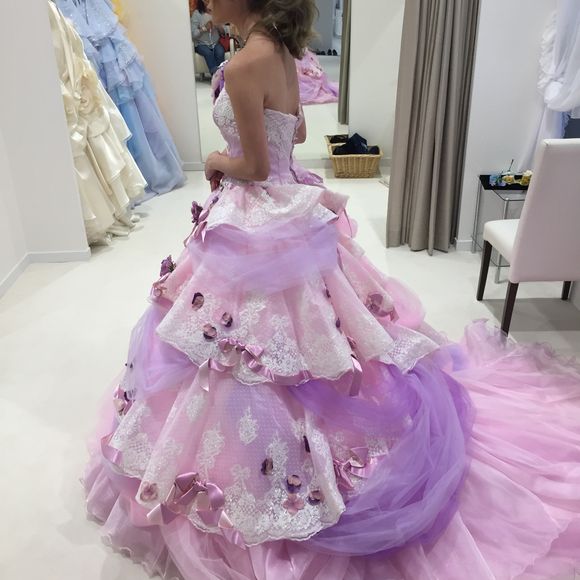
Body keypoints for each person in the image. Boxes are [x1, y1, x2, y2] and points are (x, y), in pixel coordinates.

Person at [84, 0, 580, 578]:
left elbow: (255, 166)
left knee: (242, 351)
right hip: (289, 202)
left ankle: (276, 474)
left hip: (258, 209)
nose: (207, 2)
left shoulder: (244, 63)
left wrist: (218, 157)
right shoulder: (282, 51)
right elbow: (295, 131)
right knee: (302, 339)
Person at [191, 0, 225, 75]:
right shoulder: (197, 14)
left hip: (215, 43)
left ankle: (222, 75)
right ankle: (216, 75)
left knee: (220, 52)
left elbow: (224, 33)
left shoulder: (217, 12)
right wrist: (204, 28)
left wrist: (218, 25)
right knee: (208, 53)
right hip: (201, 44)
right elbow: (193, 34)